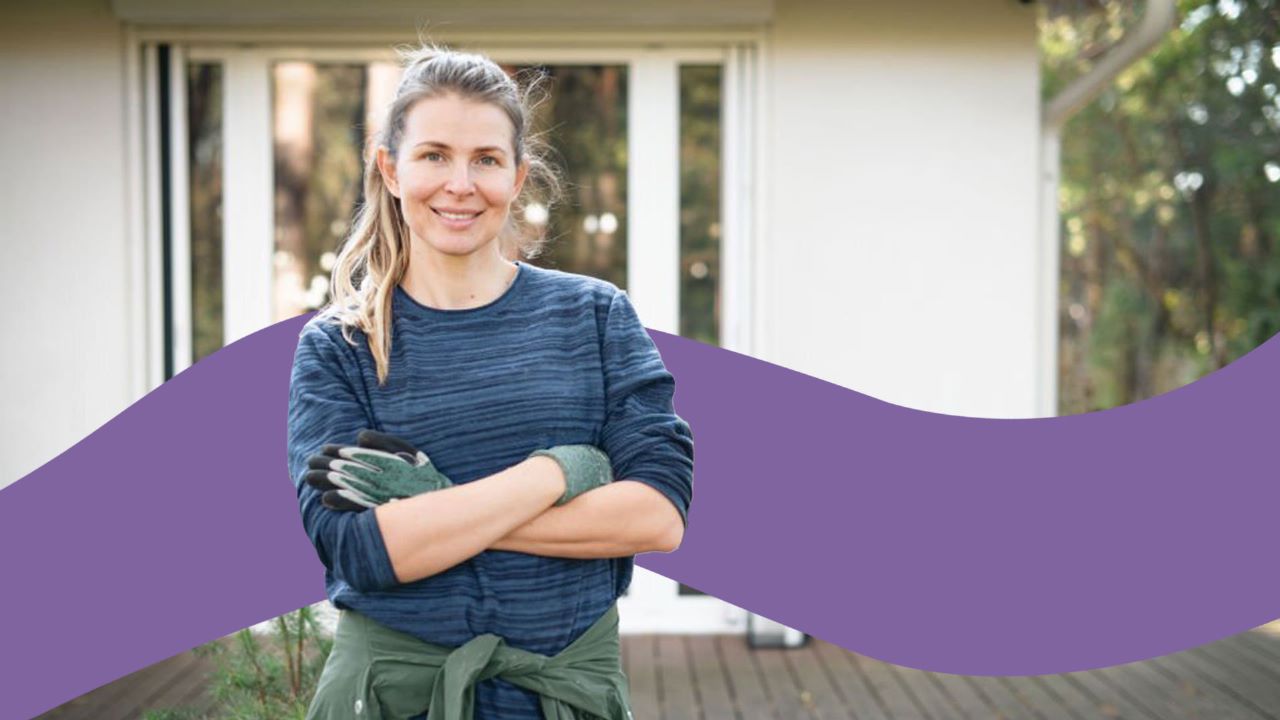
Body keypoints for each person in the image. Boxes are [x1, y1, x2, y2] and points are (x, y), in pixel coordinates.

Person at [286, 45, 694, 719]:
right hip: (393, 700)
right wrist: (559, 473)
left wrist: (434, 504)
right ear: (390, 170)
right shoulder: (342, 346)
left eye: (486, 159)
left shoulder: (596, 317)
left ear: (517, 175)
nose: (460, 183)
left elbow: (657, 514)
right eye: (434, 155)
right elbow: (361, 547)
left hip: (562, 698)